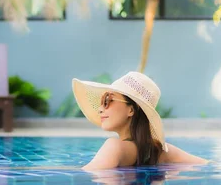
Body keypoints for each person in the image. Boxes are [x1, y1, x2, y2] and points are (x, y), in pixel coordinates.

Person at [72, 71, 209, 171]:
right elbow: (205, 164)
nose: (100, 109)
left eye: (108, 100)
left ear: (131, 110)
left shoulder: (113, 146)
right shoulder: (159, 151)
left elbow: (84, 176)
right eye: (102, 102)